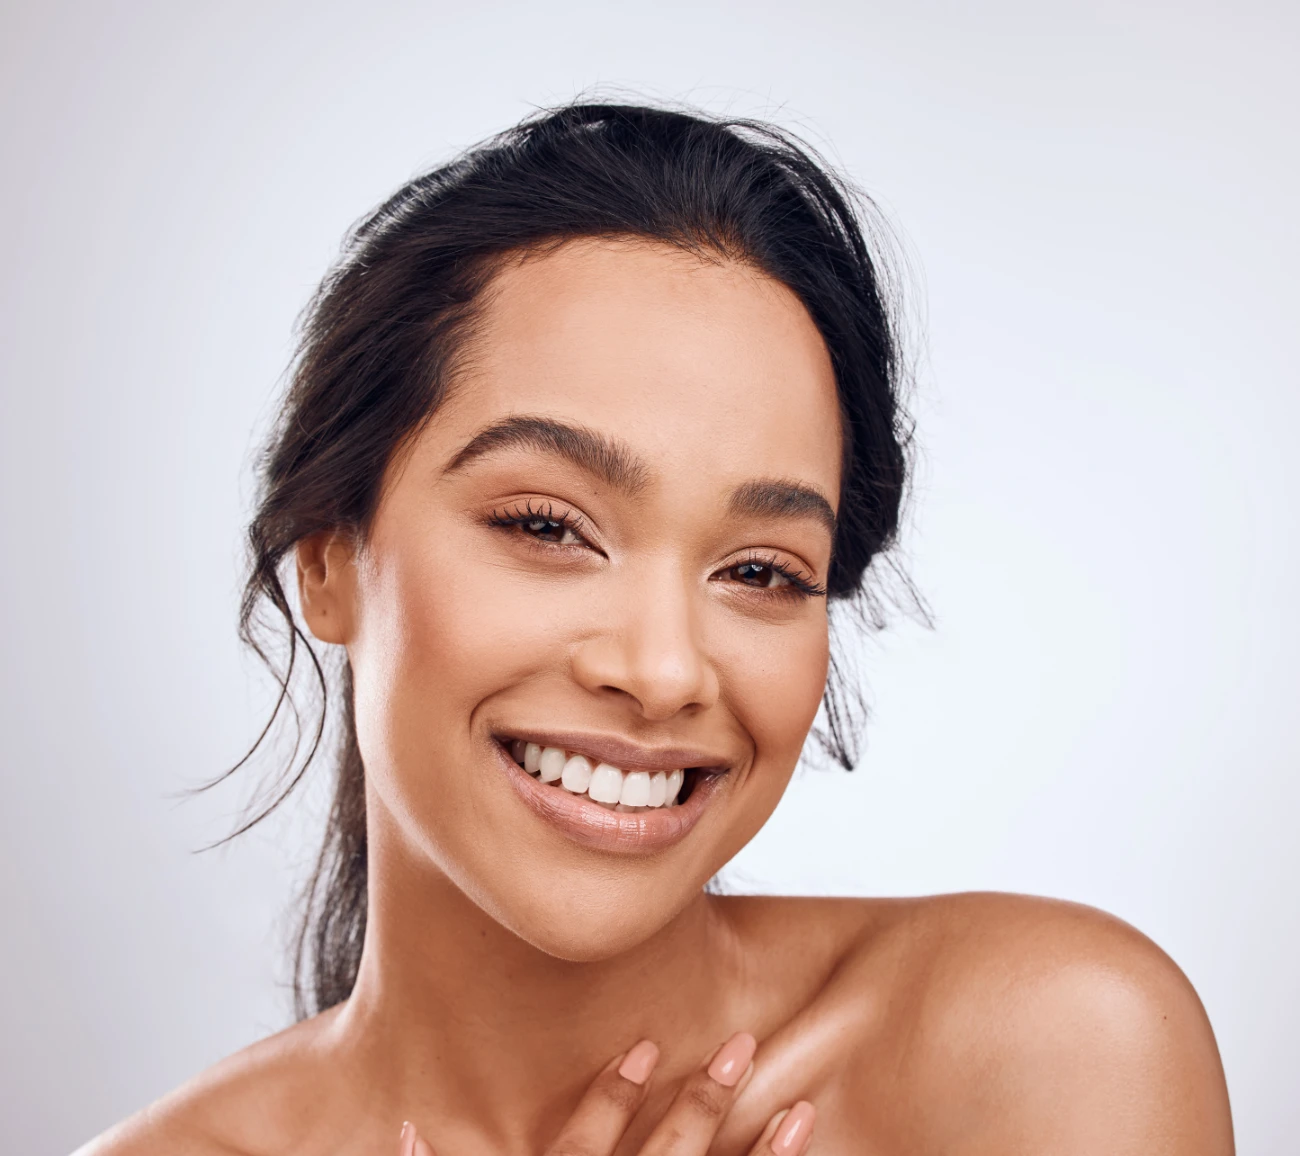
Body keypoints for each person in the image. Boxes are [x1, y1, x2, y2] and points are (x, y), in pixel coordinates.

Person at [80, 102, 1233, 1156]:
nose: (664, 669)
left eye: (759, 571)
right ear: (328, 557)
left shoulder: (1051, 1054)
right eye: (546, 524)